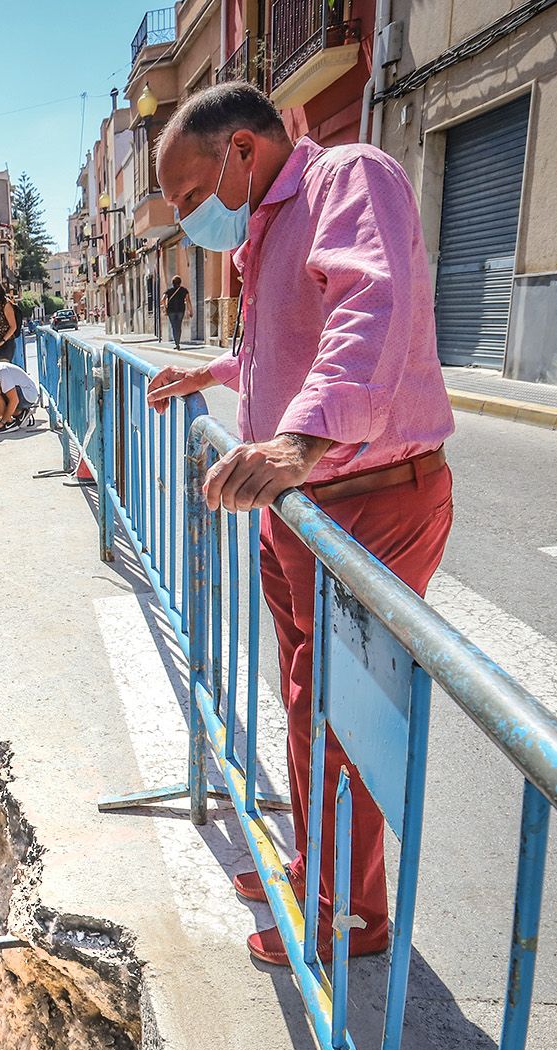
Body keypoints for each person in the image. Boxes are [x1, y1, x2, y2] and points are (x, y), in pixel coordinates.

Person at [144, 83, 454, 969]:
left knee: (337, 717)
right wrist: (209, 376)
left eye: (190, 194)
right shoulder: (267, 228)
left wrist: (294, 449)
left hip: (368, 497)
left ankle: (347, 917)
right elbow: (283, 351)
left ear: (242, 150)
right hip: (308, 507)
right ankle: (317, 868)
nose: (187, 216)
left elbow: (370, 313)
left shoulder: (351, 178)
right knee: (302, 699)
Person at [163, 274, 190, 349]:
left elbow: (162, 299)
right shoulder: (184, 290)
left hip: (171, 311)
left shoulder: (169, 291)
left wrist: (165, 308)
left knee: (174, 326)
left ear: (172, 282)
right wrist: (190, 310)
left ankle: (176, 343)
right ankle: (178, 342)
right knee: (178, 326)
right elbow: (188, 300)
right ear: (180, 282)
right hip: (181, 310)